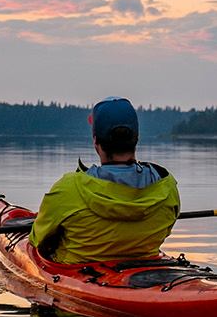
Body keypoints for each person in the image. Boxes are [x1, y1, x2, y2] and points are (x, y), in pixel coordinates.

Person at [29, 96, 180, 264]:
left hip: (79, 276)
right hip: (148, 271)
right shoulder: (167, 186)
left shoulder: (68, 189)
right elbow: (166, 230)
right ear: (136, 138)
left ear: (95, 141)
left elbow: (37, 240)